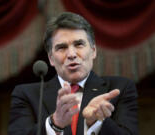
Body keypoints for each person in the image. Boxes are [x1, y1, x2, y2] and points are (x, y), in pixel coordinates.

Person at [8, 12, 138, 135]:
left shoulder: (120, 89)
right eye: (62, 47)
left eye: (79, 44)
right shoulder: (26, 95)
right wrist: (55, 123)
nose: (71, 54)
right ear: (51, 59)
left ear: (93, 51)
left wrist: (96, 122)